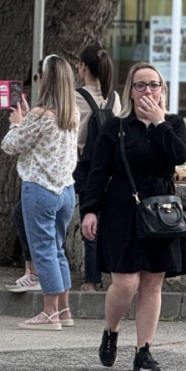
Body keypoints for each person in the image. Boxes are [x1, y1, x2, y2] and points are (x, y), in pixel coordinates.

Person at [81, 62, 186, 371]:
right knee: (126, 282)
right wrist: (90, 209)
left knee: (152, 283)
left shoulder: (173, 124)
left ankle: (144, 350)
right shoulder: (115, 127)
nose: (147, 91)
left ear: (162, 89)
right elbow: (97, 172)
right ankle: (111, 330)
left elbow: (179, 155)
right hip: (122, 209)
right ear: (130, 90)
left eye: (153, 84)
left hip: (161, 211)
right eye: (140, 85)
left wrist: (159, 124)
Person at [2, 55, 79, 331]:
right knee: (57, 250)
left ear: (45, 79)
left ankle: (49, 314)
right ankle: (64, 310)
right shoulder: (72, 114)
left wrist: (16, 122)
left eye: (39, 76)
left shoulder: (40, 115)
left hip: (40, 188)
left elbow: (11, 145)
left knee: (44, 251)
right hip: (66, 191)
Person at [72, 45, 120, 292]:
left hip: (84, 166)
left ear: (82, 66)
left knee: (88, 221)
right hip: (112, 169)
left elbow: (72, 133)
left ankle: (91, 280)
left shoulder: (76, 96)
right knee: (108, 223)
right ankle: (114, 275)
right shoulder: (114, 99)